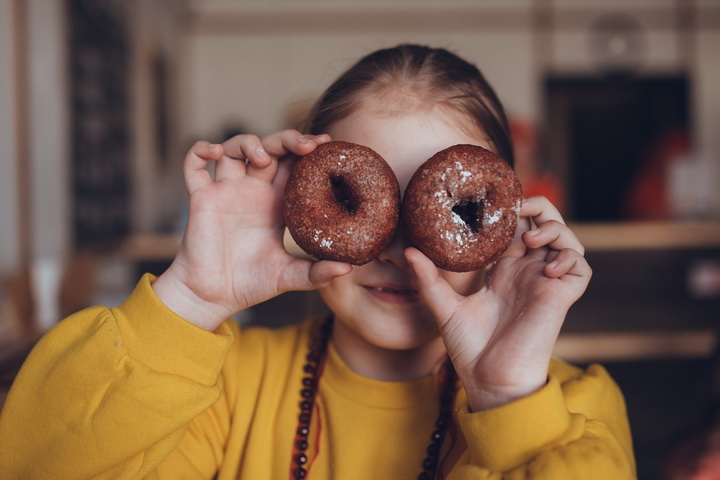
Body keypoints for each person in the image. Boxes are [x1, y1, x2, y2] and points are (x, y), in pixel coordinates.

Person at [0, 44, 636, 479]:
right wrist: (192, 298)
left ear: (501, 223)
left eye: (444, 215)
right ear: (298, 207)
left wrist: (507, 397)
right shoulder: (216, 392)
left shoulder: (571, 410)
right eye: (370, 204)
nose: (399, 250)